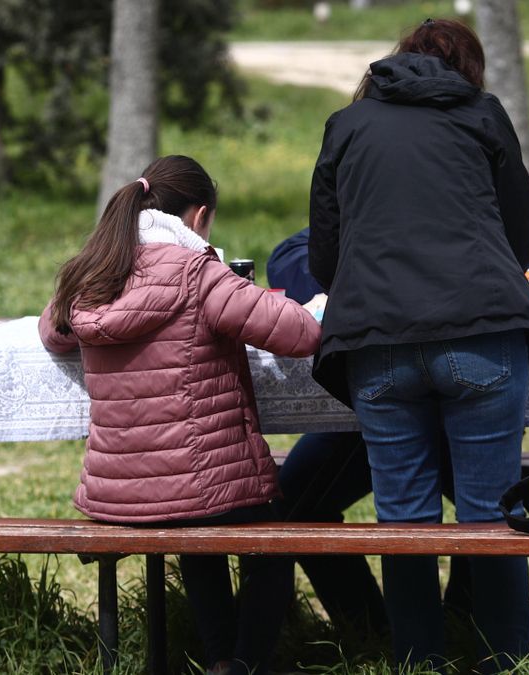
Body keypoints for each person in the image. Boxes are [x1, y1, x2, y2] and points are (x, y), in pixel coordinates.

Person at [307, 19, 529, 673]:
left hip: (378, 344)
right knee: (491, 514)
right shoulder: (482, 114)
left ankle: (417, 663)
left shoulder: (347, 125)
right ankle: (504, 661)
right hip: (482, 333)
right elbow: (520, 241)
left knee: (404, 521)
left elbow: (325, 256)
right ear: (468, 70)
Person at [38, 155, 321, 675]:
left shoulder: (93, 275)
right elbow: (300, 334)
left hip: (116, 493)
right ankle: (243, 665)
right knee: (273, 544)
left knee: (201, 529)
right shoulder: (199, 274)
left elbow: (53, 331)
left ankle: (218, 660)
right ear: (198, 217)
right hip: (198, 489)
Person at [268, 229, 529, 645]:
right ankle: (372, 627)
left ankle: (451, 622)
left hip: (398, 378)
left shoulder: (467, 214)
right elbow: (292, 256)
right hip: (396, 398)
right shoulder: (364, 206)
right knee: (296, 501)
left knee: (480, 512)